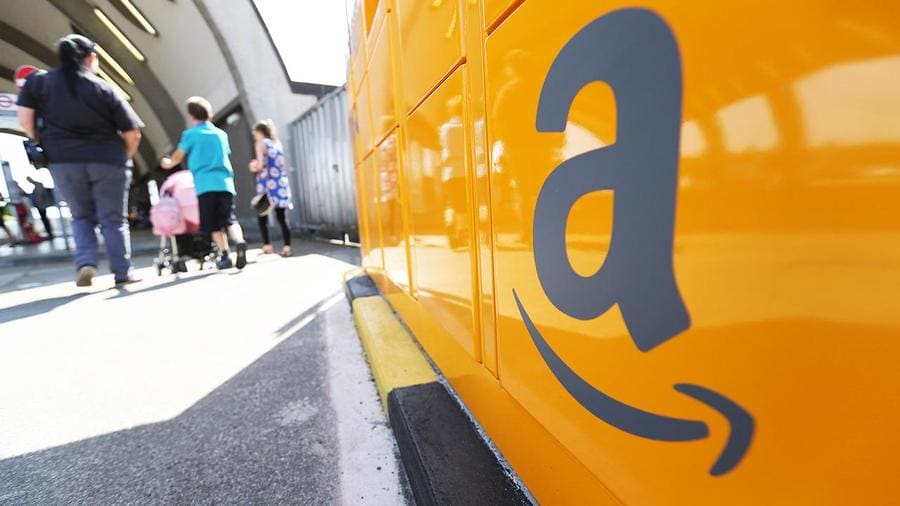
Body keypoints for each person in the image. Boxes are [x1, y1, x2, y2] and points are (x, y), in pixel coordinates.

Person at [17, 34, 143, 287]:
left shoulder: (39, 82)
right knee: (113, 219)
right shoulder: (103, 87)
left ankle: (86, 262)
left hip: (63, 161)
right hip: (107, 159)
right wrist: (124, 157)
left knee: (81, 216)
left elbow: (25, 118)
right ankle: (122, 273)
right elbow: (133, 133)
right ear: (91, 58)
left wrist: (40, 140)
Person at [160, 96, 247, 270]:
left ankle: (225, 254)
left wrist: (167, 163)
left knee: (213, 224)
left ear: (192, 117)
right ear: (210, 115)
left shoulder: (190, 135)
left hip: (204, 185)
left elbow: (177, 157)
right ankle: (239, 241)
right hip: (225, 183)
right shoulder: (221, 134)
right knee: (230, 219)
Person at [249, 119, 292, 257]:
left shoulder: (260, 144)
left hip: (267, 185)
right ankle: (287, 247)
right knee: (282, 218)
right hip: (280, 184)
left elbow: (260, 165)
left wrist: (253, 165)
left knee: (262, 215)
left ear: (260, 131)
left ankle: (267, 246)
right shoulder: (277, 144)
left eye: (255, 133)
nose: (255, 135)